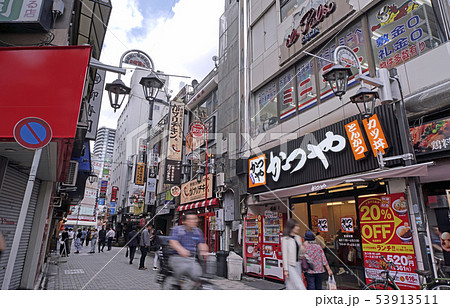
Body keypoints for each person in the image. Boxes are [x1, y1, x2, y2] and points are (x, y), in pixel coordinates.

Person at [169, 213, 208, 288]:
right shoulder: (177, 230)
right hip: (177, 258)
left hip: (191, 259)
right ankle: (176, 286)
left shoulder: (198, 231)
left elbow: (201, 243)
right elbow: (173, 242)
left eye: (195, 219)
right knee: (182, 270)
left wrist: (204, 251)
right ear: (184, 221)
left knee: (197, 274)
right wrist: (181, 249)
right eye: (190, 219)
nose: (194, 221)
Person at [281, 219, 306, 290]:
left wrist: (303, 247)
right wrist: (285, 269)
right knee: (300, 286)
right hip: (290, 265)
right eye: (296, 226)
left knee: (291, 286)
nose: (298, 228)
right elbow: (285, 255)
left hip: (298, 264)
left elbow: (300, 253)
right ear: (291, 227)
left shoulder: (298, 238)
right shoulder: (285, 239)